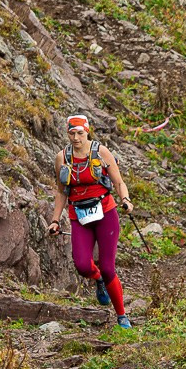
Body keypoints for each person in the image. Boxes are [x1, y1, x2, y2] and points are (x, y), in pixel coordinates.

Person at [48, 114, 133, 329]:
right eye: (72, 133)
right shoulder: (62, 158)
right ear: (67, 133)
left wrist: (126, 200)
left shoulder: (101, 152)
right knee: (83, 266)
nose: (76, 138)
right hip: (79, 216)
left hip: (106, 213)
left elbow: (118, 181)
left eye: (80, 133)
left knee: (108, 267)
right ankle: (99, 280)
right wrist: (55, 220)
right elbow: (61, 192)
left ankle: (122, 316)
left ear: (87, 131)